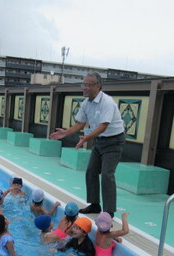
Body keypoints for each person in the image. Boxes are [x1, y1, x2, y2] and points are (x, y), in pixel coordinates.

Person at [50, 71, 125, 218]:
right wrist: (66, 133)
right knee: (91, 171)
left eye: (87, 85)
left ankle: (109, 211)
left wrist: (86, 138)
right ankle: (95, 204)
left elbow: (103, 126)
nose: (83, 87)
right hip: (99, 140)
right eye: (83, 84)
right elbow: (80, 123)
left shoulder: (107, 102)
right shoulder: (86, 103)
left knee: (107, 174)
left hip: (113, 141)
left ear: (97, 86)